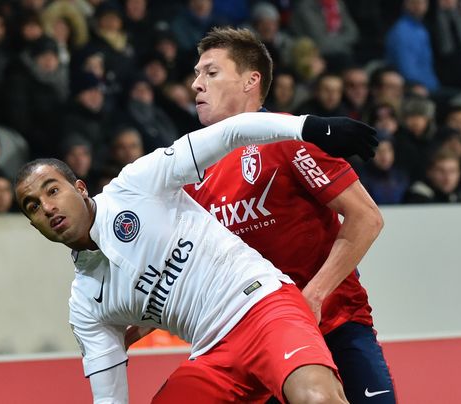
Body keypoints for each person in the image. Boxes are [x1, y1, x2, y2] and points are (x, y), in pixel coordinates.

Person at [14, 107, 377, 401]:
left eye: (53, 191)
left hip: (265, 307)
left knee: (316, 398)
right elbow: (109, 399)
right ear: (33, 224)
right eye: (33, 206)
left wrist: (309, 127)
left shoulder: (135, 185)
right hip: (212, 353)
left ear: (79, 188)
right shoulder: (85, 306)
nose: (46, 207)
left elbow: (231, 133)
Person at [128, 27, 395, 403]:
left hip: (334, 325)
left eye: (210, 72)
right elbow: (182, 268)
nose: (195, 85)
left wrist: (312, 297)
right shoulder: (193, 170)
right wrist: (131, 327)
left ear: (250, 81)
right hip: (257, 338)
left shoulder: (287, 137)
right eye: (196, 74)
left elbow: (367, 218)